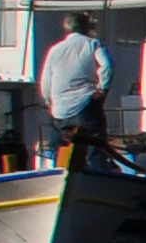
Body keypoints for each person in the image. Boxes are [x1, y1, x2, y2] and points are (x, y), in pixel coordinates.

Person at [36, 17, 110, 166]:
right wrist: (103, 88)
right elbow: (106, 66)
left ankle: (63, 177)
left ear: (66, 28)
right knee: (95, 144)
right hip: (85, 103)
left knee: (63, 147)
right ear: (87, 27)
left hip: (60, 109)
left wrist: (49, 101)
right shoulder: (93, 44)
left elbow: (46, 81)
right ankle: (99, 176)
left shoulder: (55, 50)